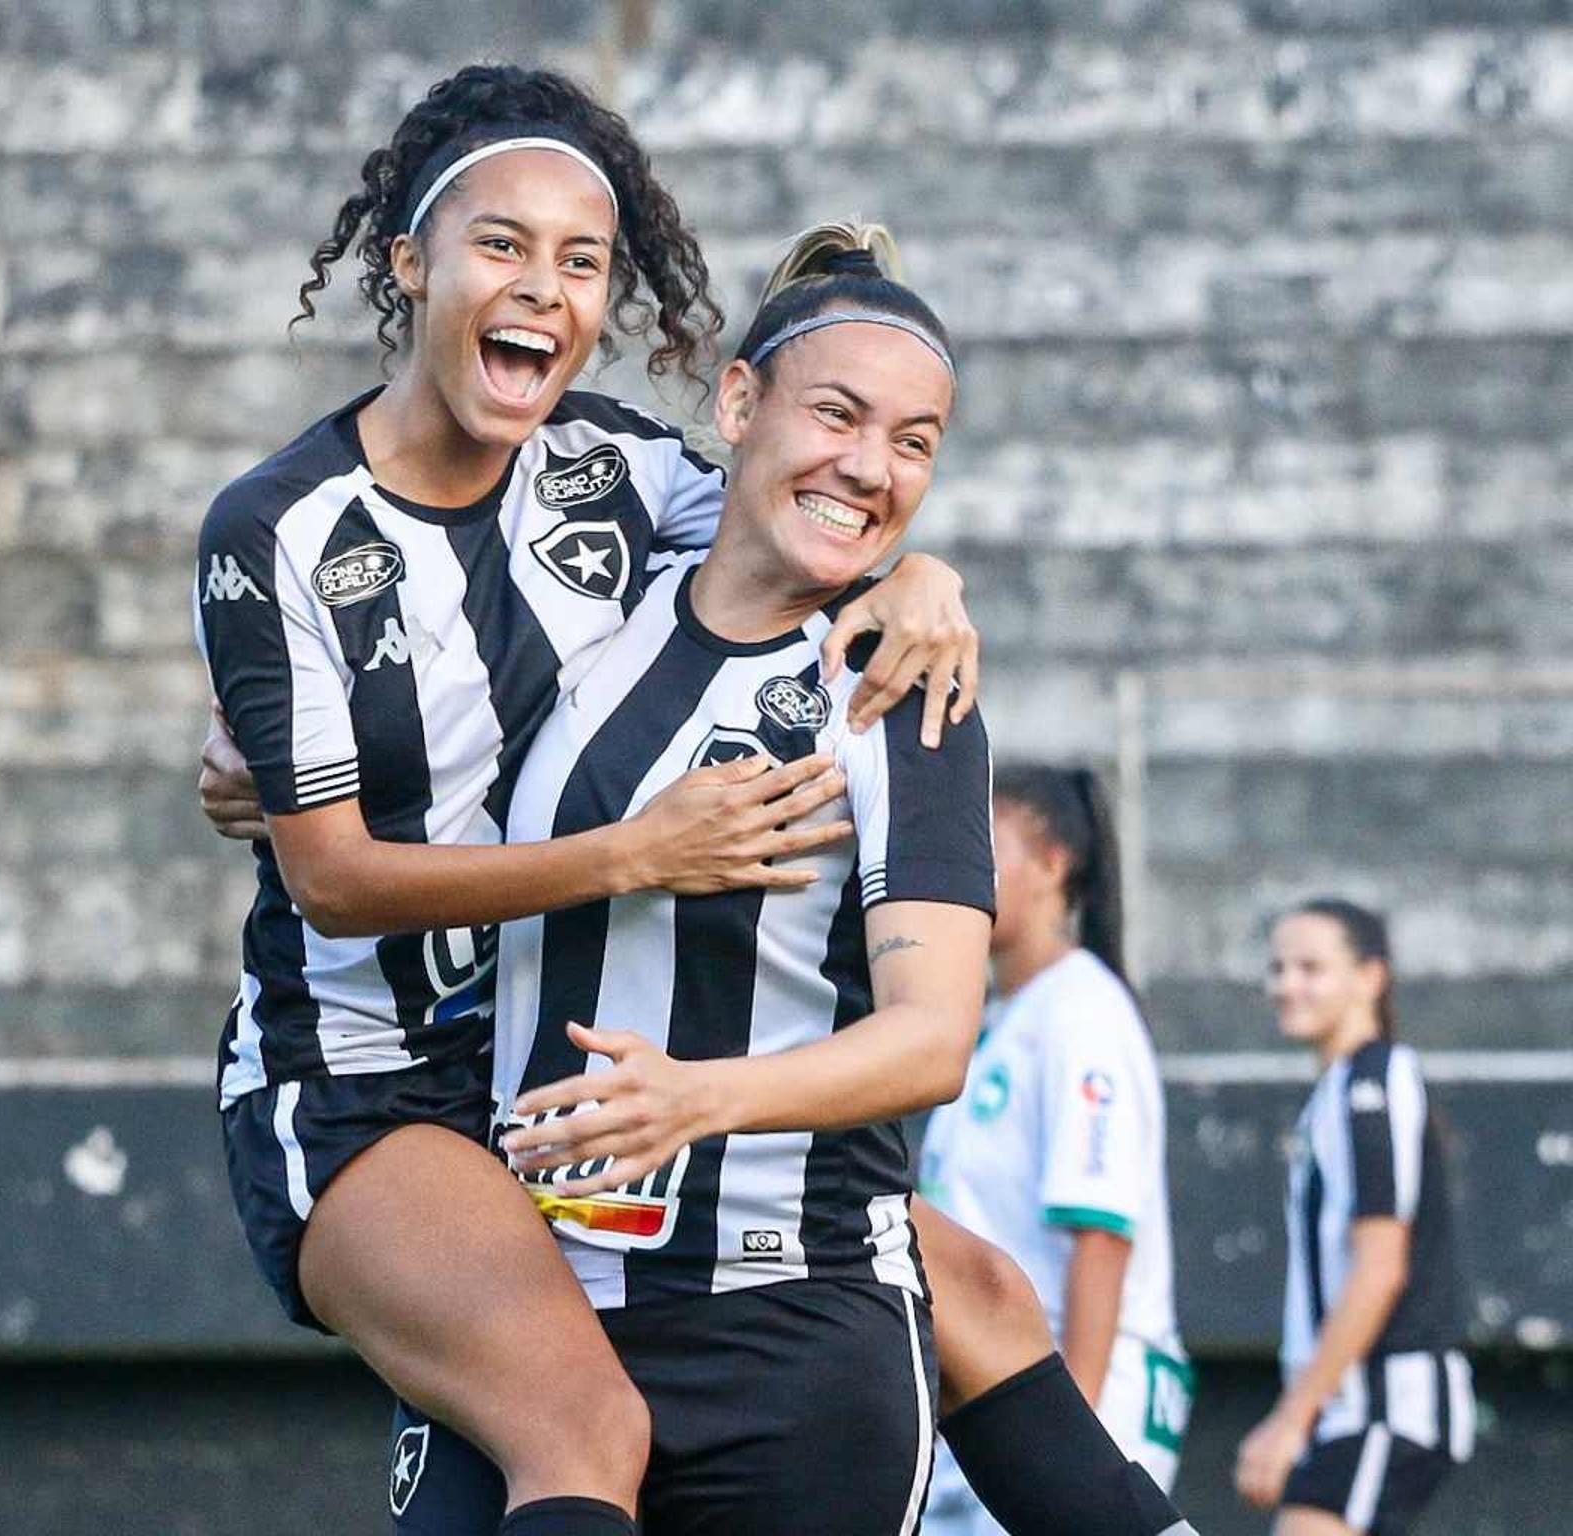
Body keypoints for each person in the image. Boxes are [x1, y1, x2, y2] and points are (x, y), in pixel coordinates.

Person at [193, 65, 979, 1536]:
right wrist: (628, 854)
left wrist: (930, 583)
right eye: (502, 245)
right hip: (365, 1082)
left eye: (583, 261)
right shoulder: (278, 527)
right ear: (412, 262)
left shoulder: (613, 470)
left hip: (540, 1092)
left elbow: (805, 508)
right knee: (584, 1423)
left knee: (970, 1293)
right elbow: (339, 883)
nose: (544, 289)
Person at [380, 225, 1197, 1536]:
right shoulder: (582, 611)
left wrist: (695, 1101)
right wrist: (261, 746)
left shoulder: (899, 685)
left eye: (915, 440)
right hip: (528, 1329)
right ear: (740, 403)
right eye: (837, 414)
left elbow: (933, 1040)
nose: (870, 467)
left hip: (789, 1335)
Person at [918, 767, 1190, 1535]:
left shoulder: (1082, 1012)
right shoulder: (996, 1018)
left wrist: (1078, 1444)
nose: (960, 869)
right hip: (985, 1392)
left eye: (984, 846)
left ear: (1052, 865)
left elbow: (1100, 1237)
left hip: (1070, 1393)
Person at [1235, 900, 1473, 1535]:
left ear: (1371, 977)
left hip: (1386, 1404)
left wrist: (1291, 1418)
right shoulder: (1335, 1094)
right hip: (1352, 1408)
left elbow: (1381, 1264)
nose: (1287, 985)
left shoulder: (1376, 1080)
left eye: (1311, 967)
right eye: (1278, 967)